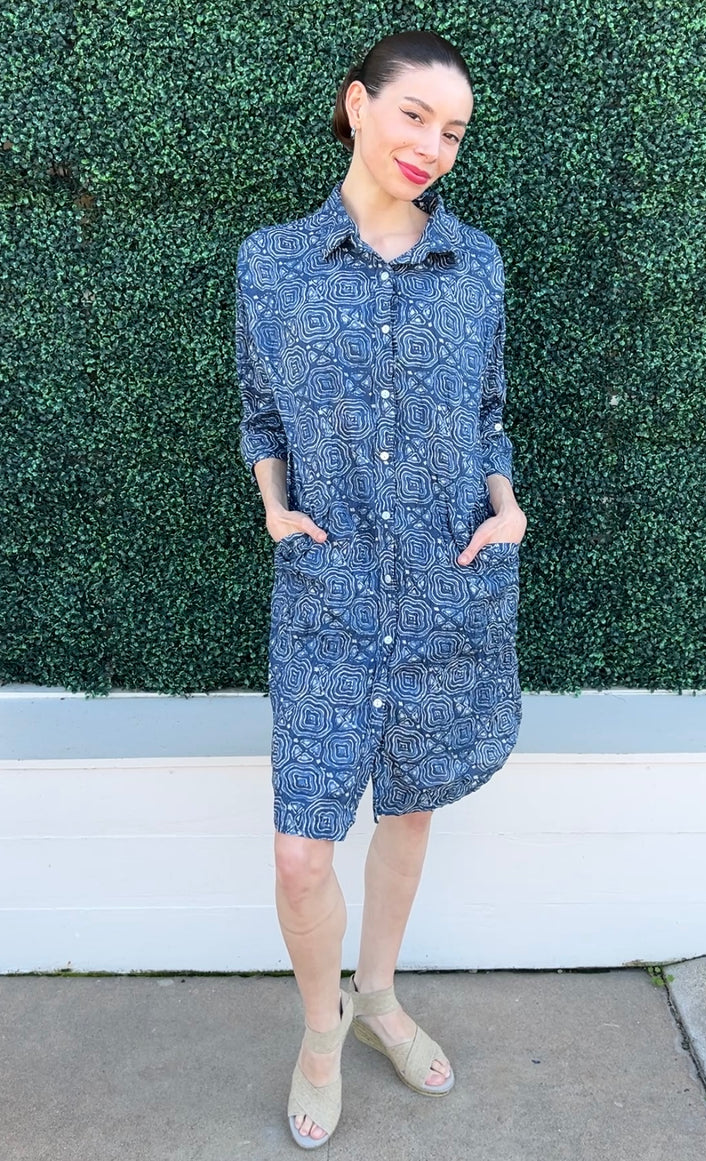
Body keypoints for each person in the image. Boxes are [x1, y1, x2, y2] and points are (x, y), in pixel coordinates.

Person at [235, 29, 527, 1149]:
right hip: (326, 589)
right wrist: (275, 506)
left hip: (449, 578)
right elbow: (263, 415)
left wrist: (505, 506)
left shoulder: (476, 263)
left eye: (453, 132)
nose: (433, 146)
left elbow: (488, 409)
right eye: (415, 116)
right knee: (300, 849)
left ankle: (382, 997)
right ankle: (324, 1031)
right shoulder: (272, 262)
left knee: (408, 807)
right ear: (358, 105)